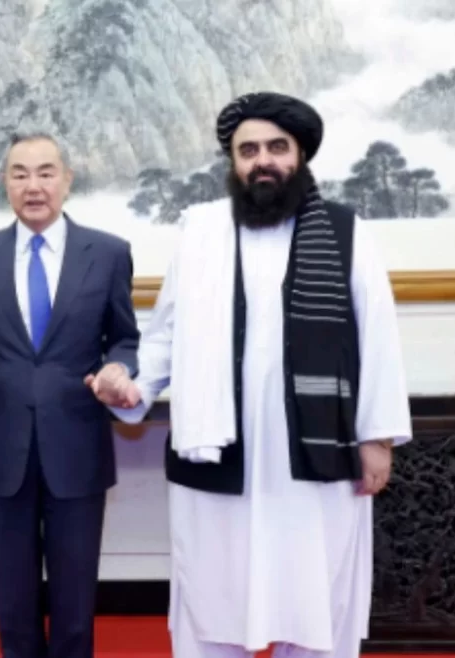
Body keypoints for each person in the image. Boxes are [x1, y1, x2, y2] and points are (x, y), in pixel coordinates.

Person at [87, 92, 414, 658]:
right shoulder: (201, 233)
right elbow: (166, 333)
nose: (263, 160)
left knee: (315, 596)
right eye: (248, 150)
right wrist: (133, 386)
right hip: (218, 450)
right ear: (234, 162)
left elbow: (376, 339)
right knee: (212, 593)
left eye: (277, 147)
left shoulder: (346, 232)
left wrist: (377, 438)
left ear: (300, 155)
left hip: (314, 457)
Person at [0, 131, 141, 658]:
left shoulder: (108, 253)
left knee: (75, 602)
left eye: (46, 173)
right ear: (5, 183)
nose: (34, 186)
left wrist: (119, 367)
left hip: (77, 444)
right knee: (13, 600)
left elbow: (124, 337)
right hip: (5, 446)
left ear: (67, 180)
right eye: (20, 173)